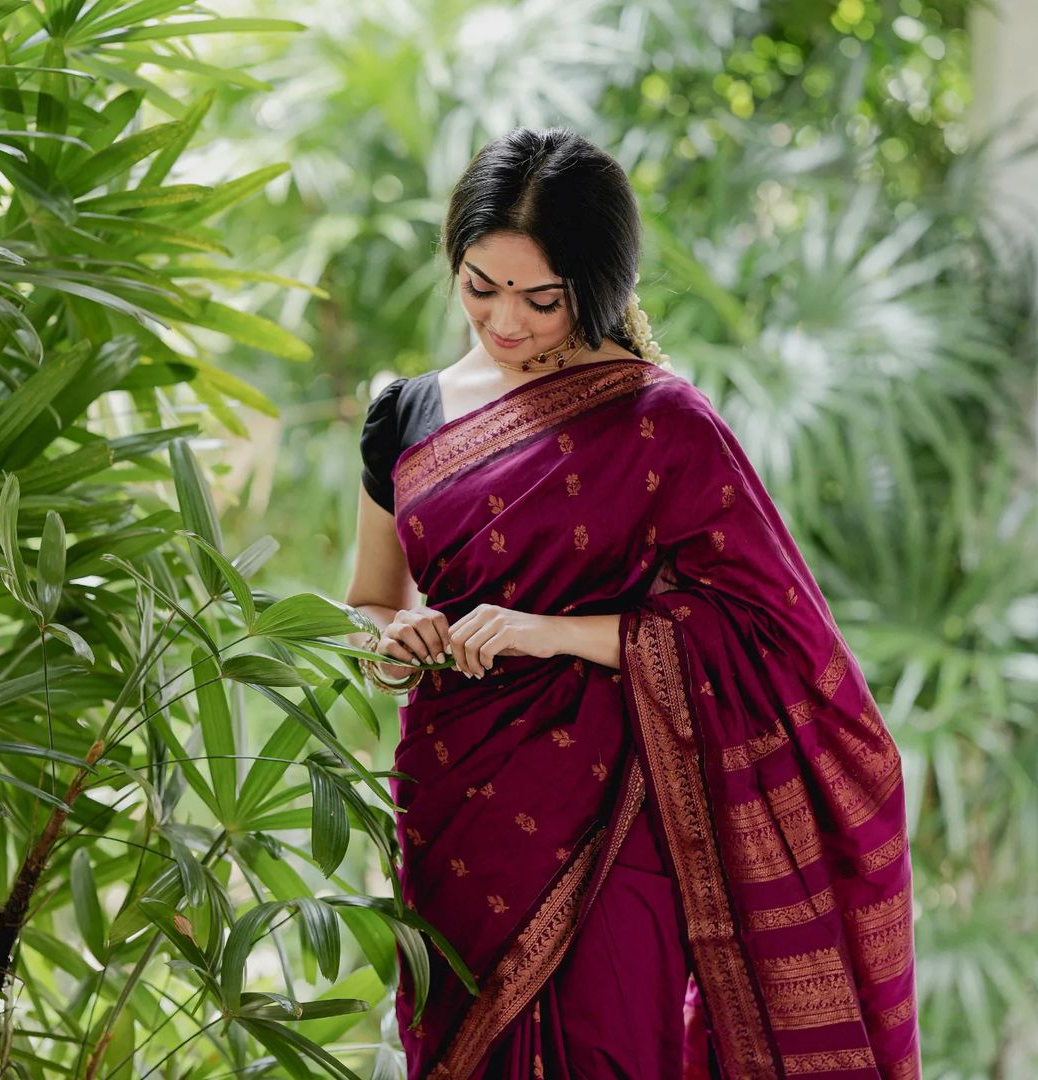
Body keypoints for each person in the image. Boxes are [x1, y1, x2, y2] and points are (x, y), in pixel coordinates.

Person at [344, 127, 921, 1080]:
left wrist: (547, 632)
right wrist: (394, 639)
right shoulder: (403, 414)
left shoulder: (661, 421)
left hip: (614, 813)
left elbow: (771, 640)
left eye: (542, 298)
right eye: (479, 286)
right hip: (453, 800)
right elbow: (367, 599)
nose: (505, 322)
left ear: (598, 288)